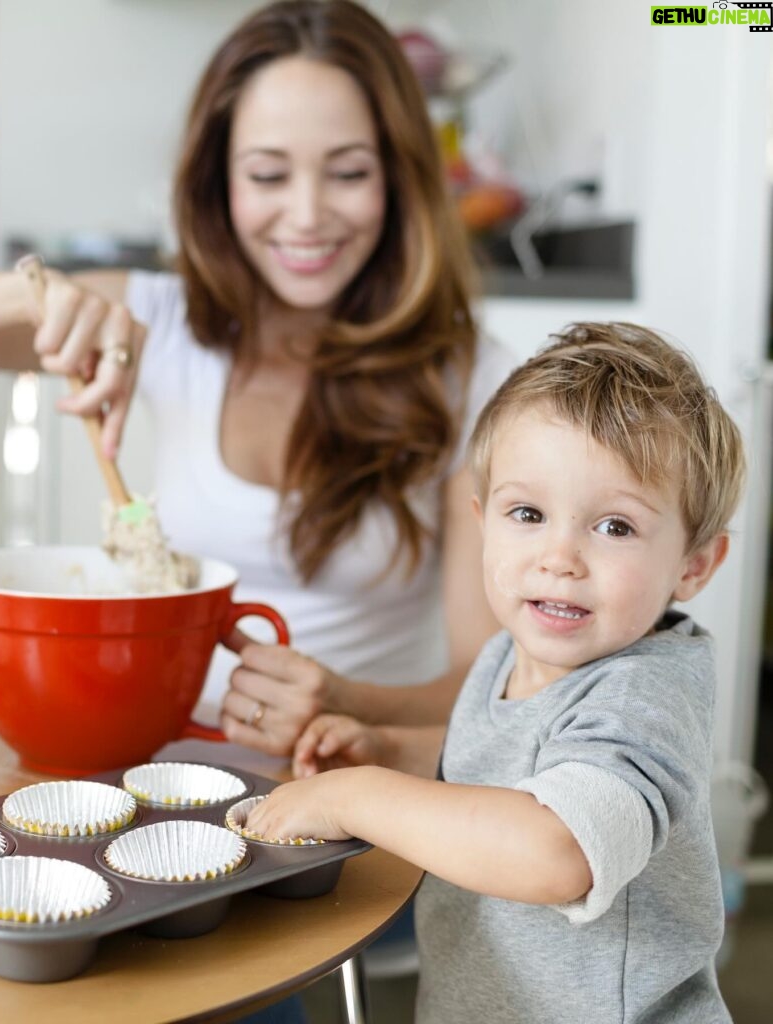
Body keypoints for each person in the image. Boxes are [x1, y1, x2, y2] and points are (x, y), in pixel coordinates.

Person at [0, 0, 513, 757]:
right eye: (268, 174)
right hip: (162, 776)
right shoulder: (164, 322)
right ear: (219, 182)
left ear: (399, 178)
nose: (307, 215)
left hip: (356, 796)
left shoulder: (470, 377)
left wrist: (345, 702)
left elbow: (495, 685)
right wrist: (32, 292)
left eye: (347, 172)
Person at [246, 321, 745, 1024]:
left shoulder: (642, 695)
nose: (559, 557)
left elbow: (556, 848)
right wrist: (395, 752)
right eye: (527, 514)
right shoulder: (510, 652)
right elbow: (507, 765)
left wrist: (356, 795)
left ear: (693, 564)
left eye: (614, 527)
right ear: (483, 523)